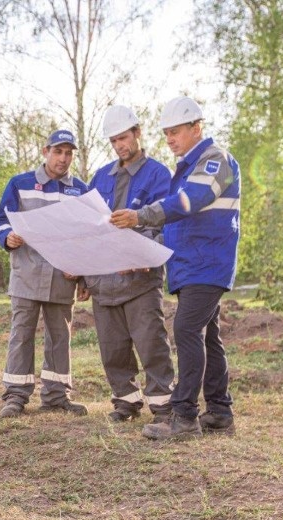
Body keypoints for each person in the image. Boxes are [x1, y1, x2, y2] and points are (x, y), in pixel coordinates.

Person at [110, 97, 241, 440]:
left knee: (185, 331)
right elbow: (174, 222)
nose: (169, 139)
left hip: (207, 263)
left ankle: (183, 417)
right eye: (166, 133)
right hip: (191, 266)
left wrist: (141, 215)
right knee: (209, 338)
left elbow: (188, 203)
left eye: (175, 132)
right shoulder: (186, 168)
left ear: (197, 128)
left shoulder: (216, 160)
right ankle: (219, 412)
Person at [0, 129, 90, 418]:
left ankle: (57, 396)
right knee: (21, 335)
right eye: (58, 152)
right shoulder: (20, 184)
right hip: (27, 273)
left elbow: (86, 237)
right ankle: (16, 396)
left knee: (60, 337)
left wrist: (83, 276)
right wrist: (6, 236)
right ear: (45, 151)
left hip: (63, 277)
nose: (63, 158)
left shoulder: (80, 190)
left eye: (69, 153)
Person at [85, 106, 174, 424]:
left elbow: (165, 226)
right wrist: (85, 276)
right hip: (103, 281)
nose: (119, 145)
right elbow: (89, 226)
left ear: (137, 133)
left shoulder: (159, 175)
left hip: (140, 281)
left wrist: (136, 257)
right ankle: (125, 402)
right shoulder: (99, 177)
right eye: (113, 141)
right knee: (113, 348)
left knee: (151, 343)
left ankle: (163, 405)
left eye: (123, 137)